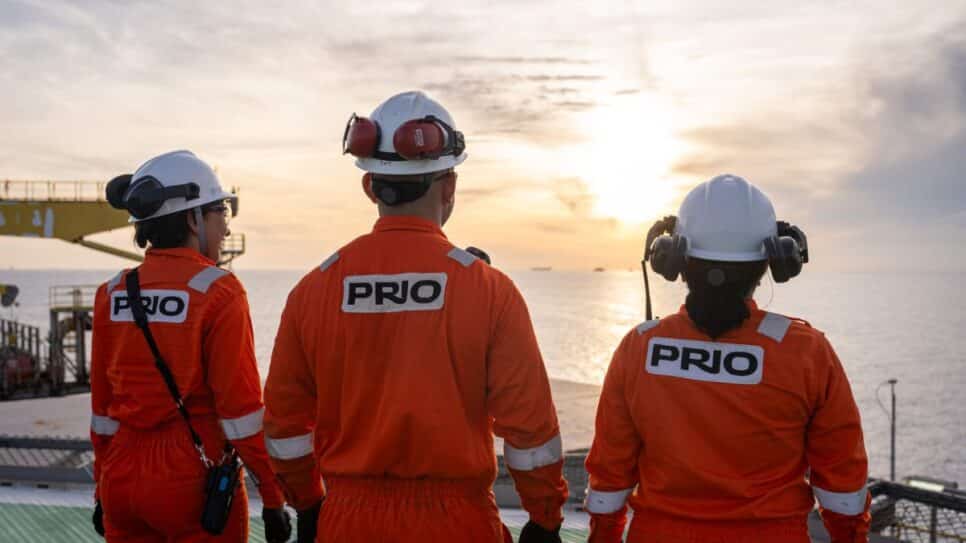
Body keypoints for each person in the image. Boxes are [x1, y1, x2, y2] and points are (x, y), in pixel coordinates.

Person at [263, 91, 569, 543]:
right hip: (457, 526)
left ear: (370, 186)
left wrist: (309, 504)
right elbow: (531, 434)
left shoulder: (312, 291)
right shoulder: (489, 291)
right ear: (449, 187)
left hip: (347, 524)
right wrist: (544, 518)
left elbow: (284, 428)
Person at [584, 174, 870, 543]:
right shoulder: (807, 354)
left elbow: (609, 476)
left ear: (673, 259)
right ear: (772, 261)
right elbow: (843, 488)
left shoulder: (638, 348)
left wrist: (603, 536)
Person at [89, 150, 291, 542]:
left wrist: (102, 487)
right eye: (221, 214)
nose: (226, 230)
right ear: (193, 219)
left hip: (120, 478)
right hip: (191, 480)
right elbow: (241, 414)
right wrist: (272, 494)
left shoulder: (111, 292)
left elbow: (102, 410)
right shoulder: (220, 292)